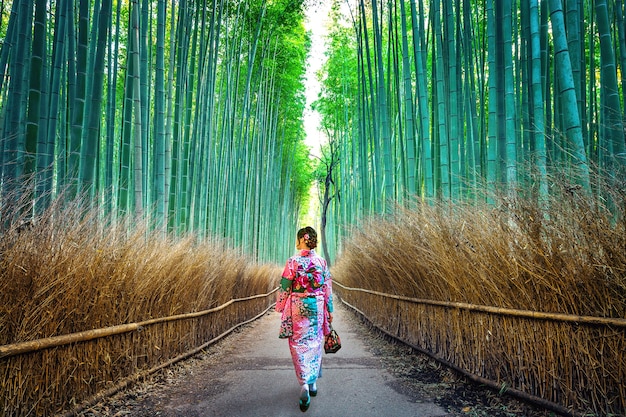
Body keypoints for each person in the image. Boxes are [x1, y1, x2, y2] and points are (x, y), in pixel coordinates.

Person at [276, 226, 333, 412]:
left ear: (302, 239)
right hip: (316, 305)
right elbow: (327, 288)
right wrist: (329, 309)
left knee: (298, 344)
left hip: (297, 306)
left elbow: (285, 285)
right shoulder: (321, 262)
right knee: (315, 342)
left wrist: (280, 305)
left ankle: (304, 385)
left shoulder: (293, 262)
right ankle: (313, 382)